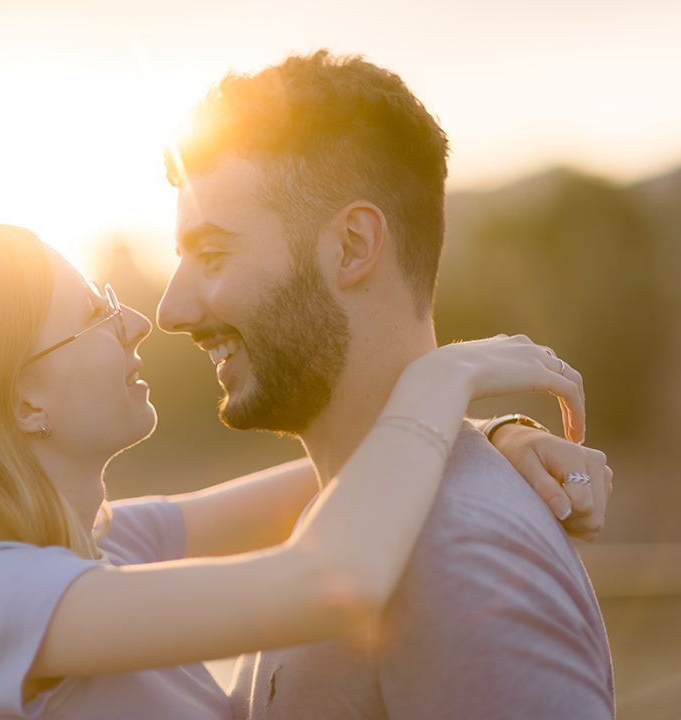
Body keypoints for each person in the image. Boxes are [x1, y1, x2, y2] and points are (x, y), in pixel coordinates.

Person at [0, 222, 605, 720]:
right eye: (94, 313)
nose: (135, 321)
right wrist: (441, 379)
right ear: (23, 401)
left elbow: (348, 468)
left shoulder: (99, 548)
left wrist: (492, 431)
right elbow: (329, 580)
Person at [156, 51, 615, 719]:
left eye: (214, 254)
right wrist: (493, 429)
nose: (172, 310)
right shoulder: (353, 514)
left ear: (350, 247)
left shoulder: (460, 561)